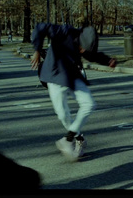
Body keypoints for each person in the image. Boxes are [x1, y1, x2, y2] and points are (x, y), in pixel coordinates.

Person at [30, 23, 116, 161]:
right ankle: (79, 138)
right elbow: (41, 28)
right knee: (62, 114)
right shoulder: (64, 31)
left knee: (89, 104)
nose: (82, 51)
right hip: (55, 74)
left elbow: (92, 55)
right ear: (78, 39)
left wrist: (107, 60)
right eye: (81, 48)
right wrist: (37, 49)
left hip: (73, 75)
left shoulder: (86, 42)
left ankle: (68, 139)